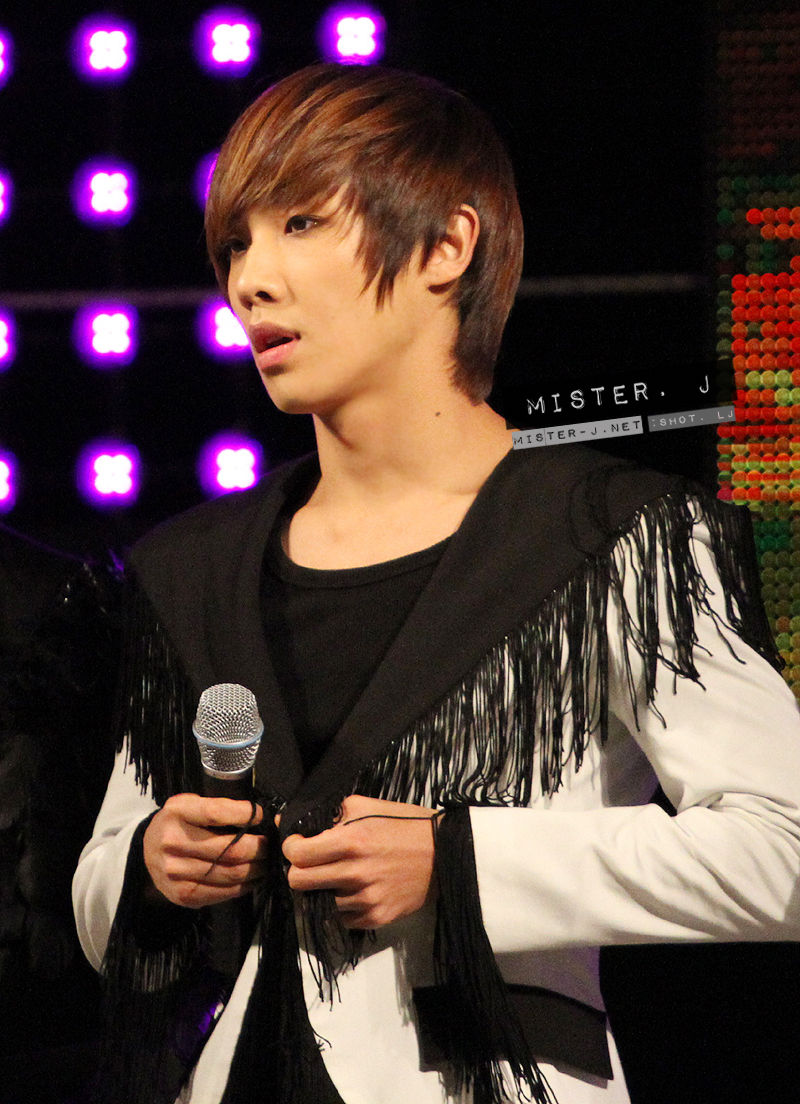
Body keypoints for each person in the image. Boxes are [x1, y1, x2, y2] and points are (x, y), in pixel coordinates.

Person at [72, 63, 800, 1104]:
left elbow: (780, 845)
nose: (250, 280)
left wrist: (462, 862)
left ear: (446, 246)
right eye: (236, 244)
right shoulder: (195, 567)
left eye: (299, 224)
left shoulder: (613, 534)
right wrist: (150, 865)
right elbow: (101, 895)